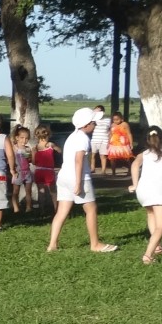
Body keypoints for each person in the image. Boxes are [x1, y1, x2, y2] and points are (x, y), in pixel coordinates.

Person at [47, 108, 118, 253]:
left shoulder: (72, 137)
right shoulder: (83, 139)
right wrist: (78, 183)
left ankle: (52, 245)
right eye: (93, 122)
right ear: (86, 125)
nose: (95, 124)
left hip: (63, 177)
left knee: (61, 211)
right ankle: (95, 244)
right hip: (78, 178)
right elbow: (78, 161)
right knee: (91, 209)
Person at [128, 125, 162, 264]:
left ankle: (157, 246)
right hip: (160, 192)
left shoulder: (143, 154)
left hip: (143, 191)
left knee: (151, 214)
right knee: (161, 226)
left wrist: (135, 184)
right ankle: (148, 255)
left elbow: (134, 165)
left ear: (146, 140)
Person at [32, 125, 58, 215]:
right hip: (49, 171)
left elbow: (33, 162)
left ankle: (42, 210)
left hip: (39, 171)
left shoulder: (35, 148)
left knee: (41, 191)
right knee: (53, 192)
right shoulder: (50, 145)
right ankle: (56, 209)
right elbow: (60, 151)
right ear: (48, 134)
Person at [11, 125, 34, 214]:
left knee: (28, 191)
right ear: (17, 138)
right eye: (22, 138)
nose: (24, 140)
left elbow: (29, 160)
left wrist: (30, 155)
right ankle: (15, 208)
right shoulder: (14, 148)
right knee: (15, 191)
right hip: (18, 172)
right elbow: (10, 159)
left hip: (27, 172)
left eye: (26, 138)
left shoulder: (27, 148)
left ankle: (28, 207)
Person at [90, 105, 111, 174]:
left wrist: (109, 140)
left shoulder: (108, 120)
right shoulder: (93, 120)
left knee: (103, 156)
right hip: (94, 139)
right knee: (92, 155)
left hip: (104, 140)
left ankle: (103, 170)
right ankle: (92, 168)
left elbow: (110, 130)